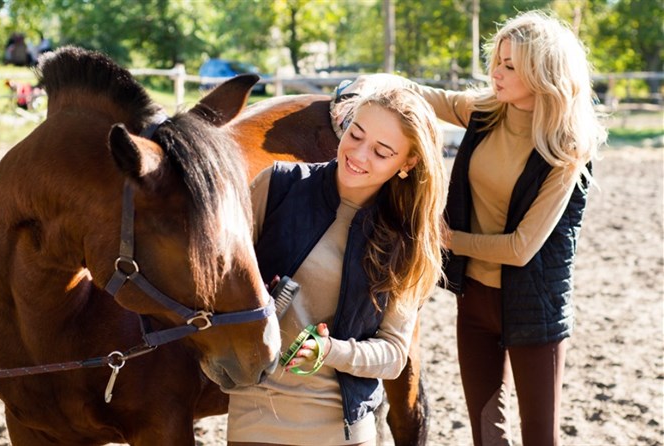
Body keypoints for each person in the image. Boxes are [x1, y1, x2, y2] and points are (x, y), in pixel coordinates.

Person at [351, 10, 607, 446]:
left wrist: (443, 239)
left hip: (534, 310)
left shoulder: (567, 148)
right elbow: (430, 98)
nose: (496, 71)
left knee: (539, 439)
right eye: (497, 59)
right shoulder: (486, 111)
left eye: (509, 65)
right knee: (487, 435)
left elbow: (522, 247)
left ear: (541, 72)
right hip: (474, 301)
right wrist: (377, 82)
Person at [225, 87, 448, 444]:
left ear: (407, 163)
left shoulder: (407, 241)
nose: (358, 154)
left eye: (381, 151)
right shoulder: (276, 185)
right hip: (254, 418)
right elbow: (220, 280)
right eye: (355, 134)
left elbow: (393, 356)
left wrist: (330, 351)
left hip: (342, 430)